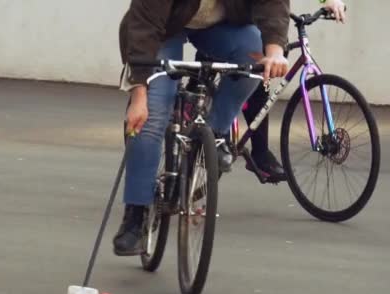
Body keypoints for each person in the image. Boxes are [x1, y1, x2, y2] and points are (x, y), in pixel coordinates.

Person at [113, 0, 291, 256]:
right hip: (162, 29)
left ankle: (215, 133)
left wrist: (274, 51)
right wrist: (139, 98)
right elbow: (143, 28)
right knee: (151, 118)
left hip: (219, 26)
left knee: (252, 52)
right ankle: (137, 215)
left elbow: (271, 3)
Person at [234, 0, 347, 182]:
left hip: (269, 18)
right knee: (251, 71)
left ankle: (260, 153)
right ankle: (259, 152)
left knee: (261, 82)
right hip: (235, 17)